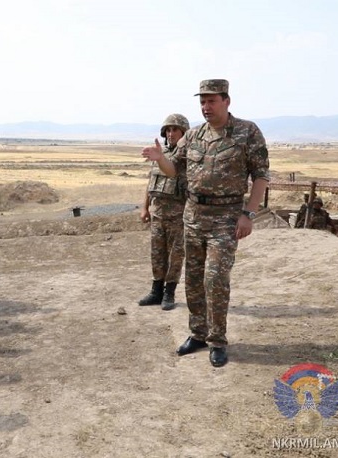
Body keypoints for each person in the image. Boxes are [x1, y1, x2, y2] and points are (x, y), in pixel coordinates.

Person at [142, 79, 269, 368]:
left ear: (226, 101)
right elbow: (174, 170)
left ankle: (218, 340)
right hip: (193, 216)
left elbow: (261, 175)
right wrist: (161, 158)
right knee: (194, 280)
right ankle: (198, 334)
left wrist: (248, 214)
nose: (205, 106)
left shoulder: (247, 132)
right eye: (202, 101)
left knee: (215, 279)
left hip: (226, 219)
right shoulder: (194, 135)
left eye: (211, 100)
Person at [138, 114, 189, 311]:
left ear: (184, 132)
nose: (171, 133)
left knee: (175, 256)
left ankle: (169, 292)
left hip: (178, 215)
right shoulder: (160, 154)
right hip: (158, 213)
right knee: (157, 254)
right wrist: (144, 207)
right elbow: (151, 183)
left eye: (175, 129)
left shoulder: (186, 156)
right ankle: (156, 291)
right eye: (168, 130)